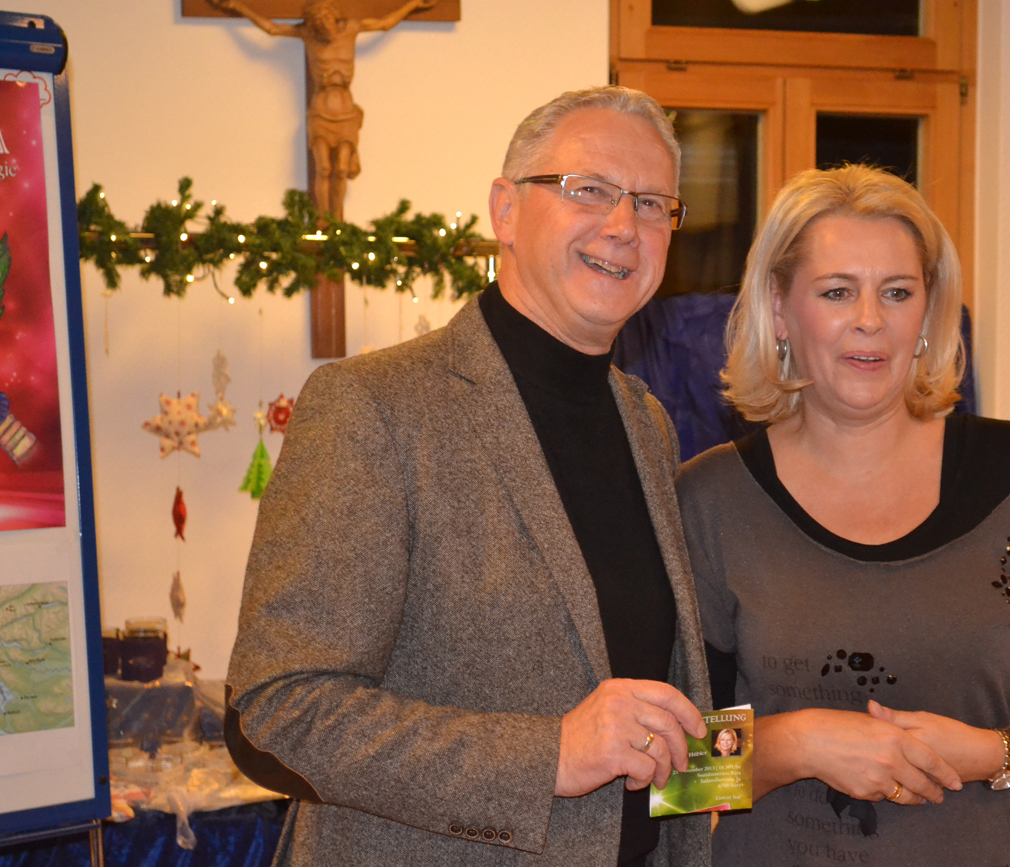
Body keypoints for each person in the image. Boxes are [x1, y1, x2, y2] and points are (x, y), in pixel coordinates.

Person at [226, 86, 711, 867]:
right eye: (589, 189)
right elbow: (278, 710)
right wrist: (548, 754)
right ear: (506, 210)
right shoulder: (375, 405)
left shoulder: (645, 420)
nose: (624, 225)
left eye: (652, 204)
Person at [676, 164, 1010, 866]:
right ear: (779, 310)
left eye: (897, 292)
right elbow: (671, 772)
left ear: (929, 315)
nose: (870, 319)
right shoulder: (711, 501)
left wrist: (996, 751)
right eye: (837, 291)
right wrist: (797, 744)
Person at [210, 0, 437, 218]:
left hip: (346, 112)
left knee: (341, 170)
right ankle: (322, 217)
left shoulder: (351, 29)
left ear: (335, 16)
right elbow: (272, 29)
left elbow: (384, 24)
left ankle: (337, 217)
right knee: (324, 168)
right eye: (318, 22)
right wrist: (237, 6)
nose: (323, 25)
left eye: (326, 18)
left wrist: (413, 4)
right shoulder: (308, 35)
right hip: (321, 111)